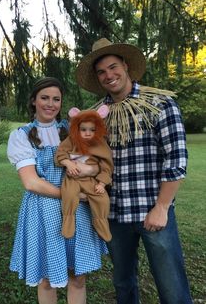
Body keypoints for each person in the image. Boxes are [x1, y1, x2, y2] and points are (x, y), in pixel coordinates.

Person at [75, 38, 193, 304]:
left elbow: (176, 159)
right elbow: (90, 160)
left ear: (126, 66)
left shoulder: (159, 103)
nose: (109, 75)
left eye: (113, 67)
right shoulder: (95, 117)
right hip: (113, 214)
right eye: (101, 72)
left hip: (152, 212)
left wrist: (162, 207)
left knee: (171, 285)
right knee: (123, 284)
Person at [7, 77, 108, 304]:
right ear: (34, 101)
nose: (50, 104)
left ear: (62, 103)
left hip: (77, 211)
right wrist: (76, 195)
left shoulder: (72, 130)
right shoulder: (21, 135)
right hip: (43, 211)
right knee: (47, 279)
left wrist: (87, 171)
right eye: (44, 98)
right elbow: (32, 183)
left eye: (56, 99)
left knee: (78, 276)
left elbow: (95, 163)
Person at [55, 105, 113, 242]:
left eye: (92, 130)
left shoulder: (100, 144)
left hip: (90, 180)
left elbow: (106, 165)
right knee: (68, 194)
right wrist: (67, 163)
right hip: (72, 178)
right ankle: (68, 220)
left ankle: (100, 222)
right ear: (76, 129)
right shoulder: (71, 140)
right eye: (83, 130)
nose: (88, 133)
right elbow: (60, 153)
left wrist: (102, 183)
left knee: (102, 198)